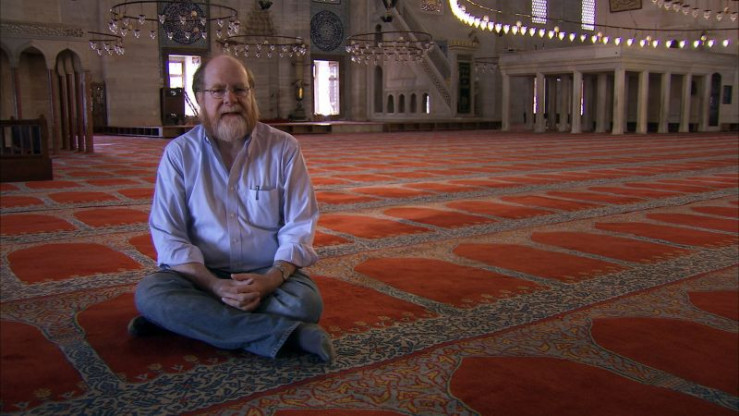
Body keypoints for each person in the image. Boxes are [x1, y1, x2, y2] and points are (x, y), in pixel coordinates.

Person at [129, 55, 333, 362]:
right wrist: (214, 285)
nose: (230, 99)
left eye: (239, 89)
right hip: (200, 276)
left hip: (266, 273)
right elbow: (169, 235)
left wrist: (270, 280)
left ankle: (191, 321)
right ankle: (289, 335)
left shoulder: (283, 148)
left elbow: (299, 226)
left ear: (251, 94)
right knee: (151, 294)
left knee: (304, 304)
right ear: (200, 98)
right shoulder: (179, 154)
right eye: (218, 91)